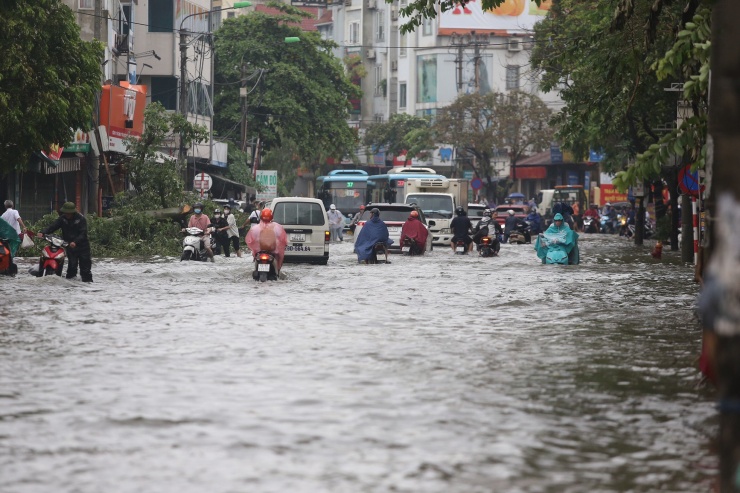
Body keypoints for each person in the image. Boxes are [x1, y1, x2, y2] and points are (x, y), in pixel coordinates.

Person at [37, 202, 93, 282]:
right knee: (72, 268)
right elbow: (53, 226)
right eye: (65, 212)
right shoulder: (62, 219)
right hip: (70, 247)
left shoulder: (81, 219)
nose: (67, 214)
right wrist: (43, 232)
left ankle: (87, 286)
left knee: (85, 270)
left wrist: (75, 242)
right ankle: (70, 286)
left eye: (68, 213)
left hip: (83, 247)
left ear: (72, 212)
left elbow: (83, 233)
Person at [245, 208, 288, 274]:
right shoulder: (278, 227)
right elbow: (283, 239)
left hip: (260, 251)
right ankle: (278, 271)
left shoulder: (255, 228)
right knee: (280, 257)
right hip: (272, 251)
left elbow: (250, 240)